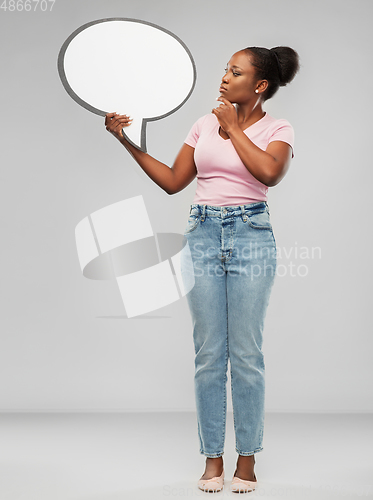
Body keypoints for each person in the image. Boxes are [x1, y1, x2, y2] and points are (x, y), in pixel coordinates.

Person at [105, 45, 299, 494]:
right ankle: (213, 459)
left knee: (246, 354)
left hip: (251, 234)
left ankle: (246, 460)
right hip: (202, 234)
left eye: (236, 72)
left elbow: (269, 173)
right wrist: (126, 140)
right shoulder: (202, 124)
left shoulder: (278, 127)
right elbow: (175, 181)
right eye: (226, 70)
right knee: (209, 353)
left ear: (260, 85)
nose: (225, 78)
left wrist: (233, 129)